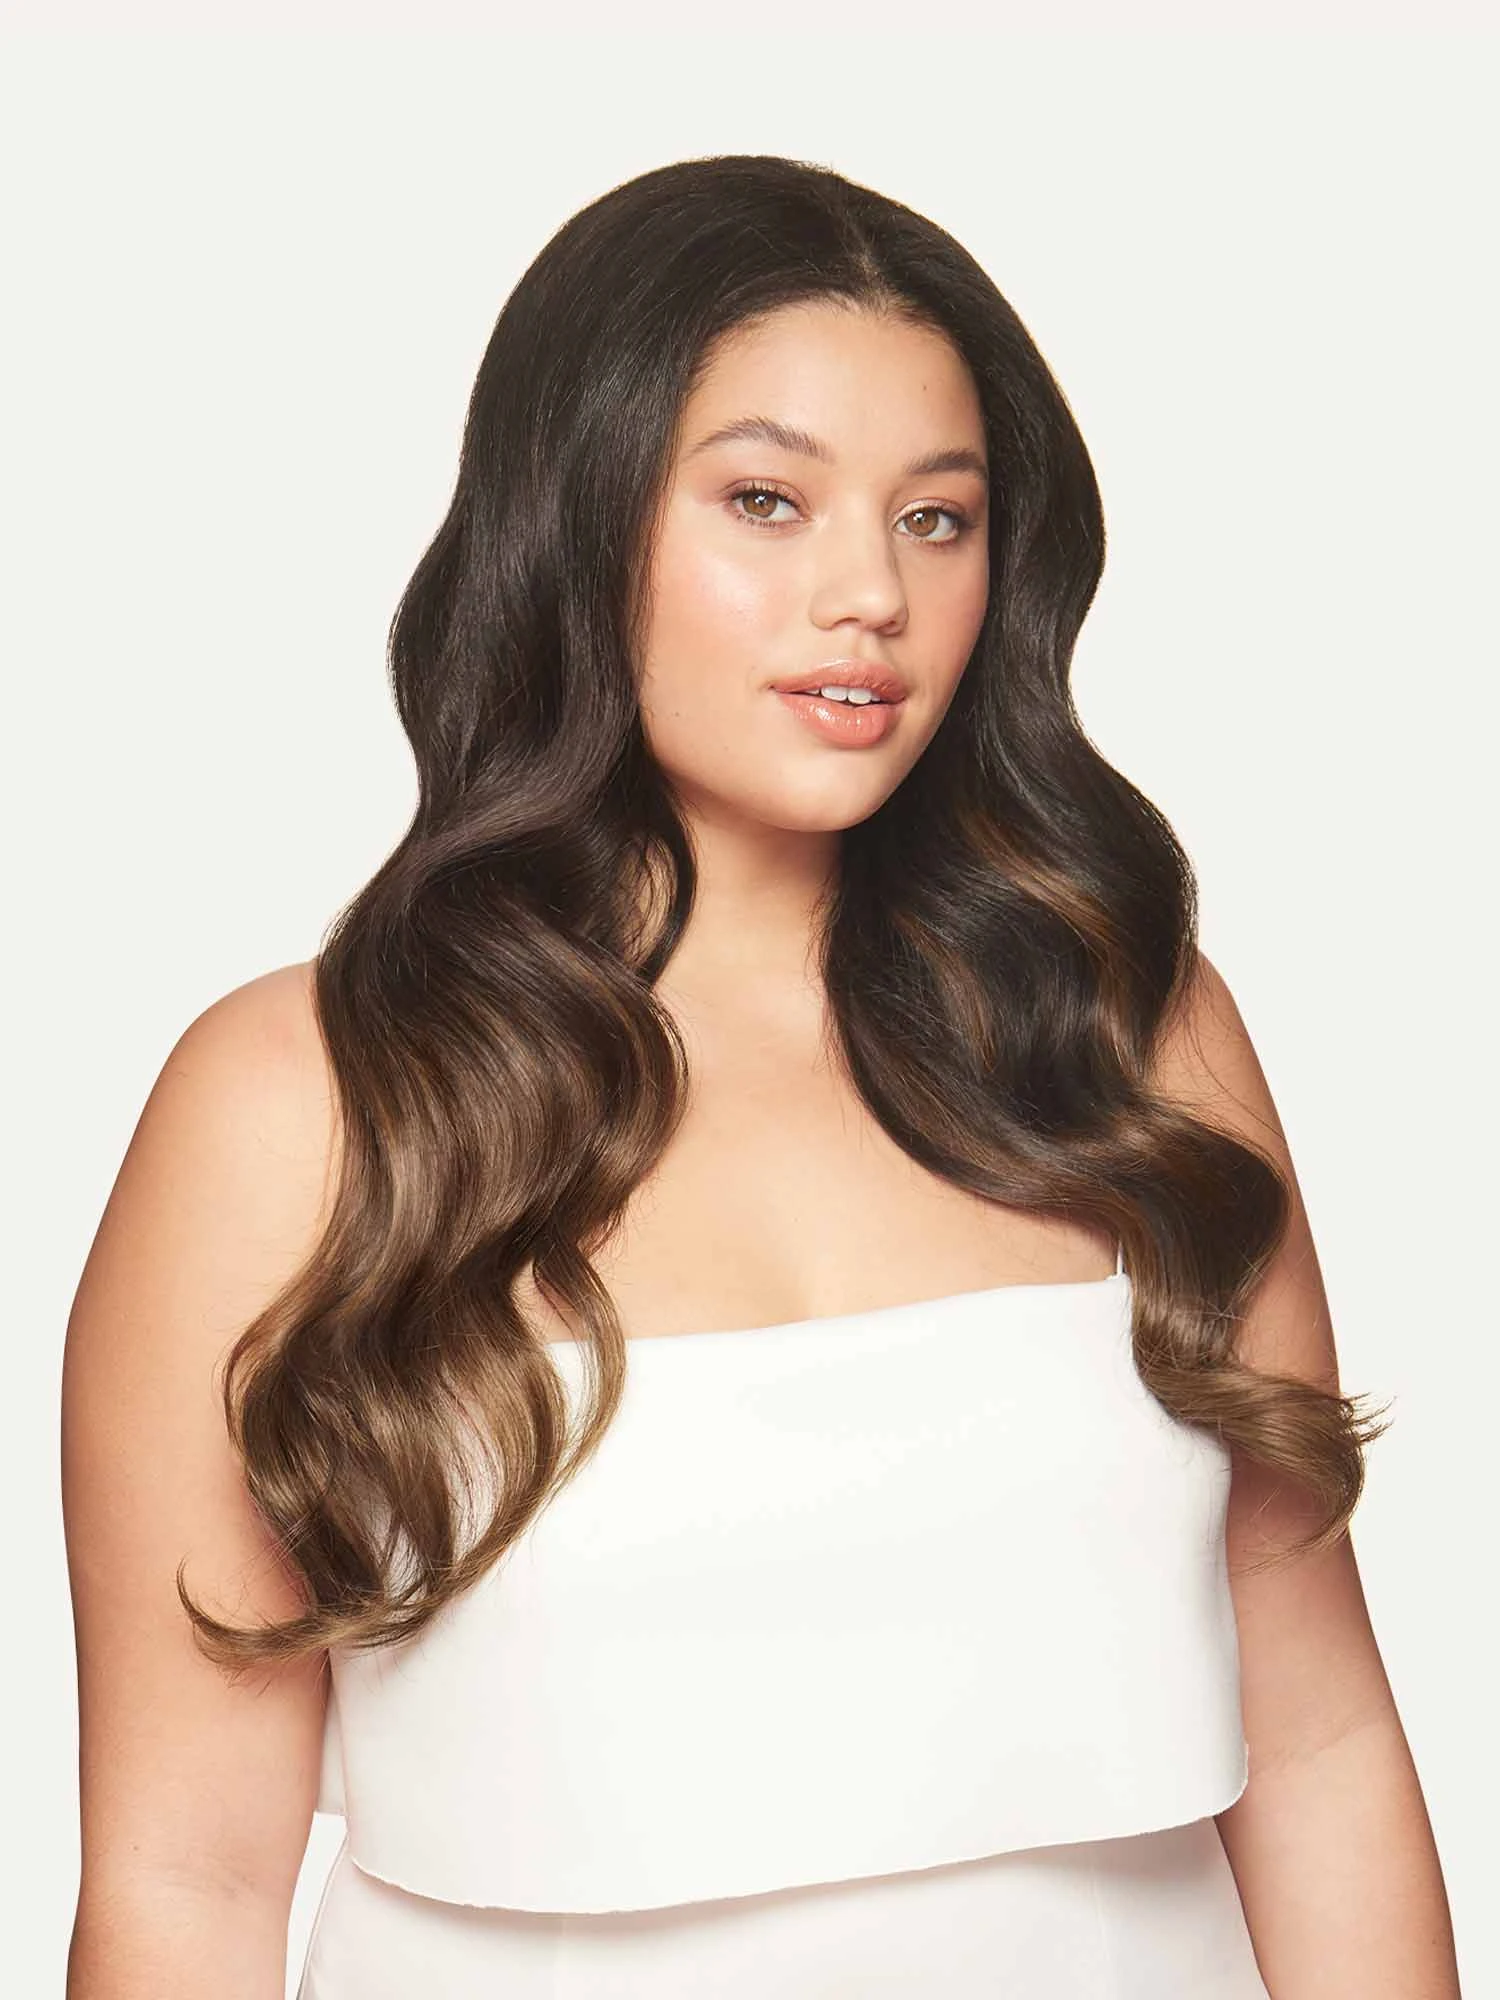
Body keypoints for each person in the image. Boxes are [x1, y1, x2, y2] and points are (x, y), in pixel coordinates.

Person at [61, 154, 1460, 1999]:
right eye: (766, 501)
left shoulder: (1124, 1038)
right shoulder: (296, 1105)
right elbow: (186, 1878)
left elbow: (1324, 1744)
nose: (870, 593)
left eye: (938, 519)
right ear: (576, 523)